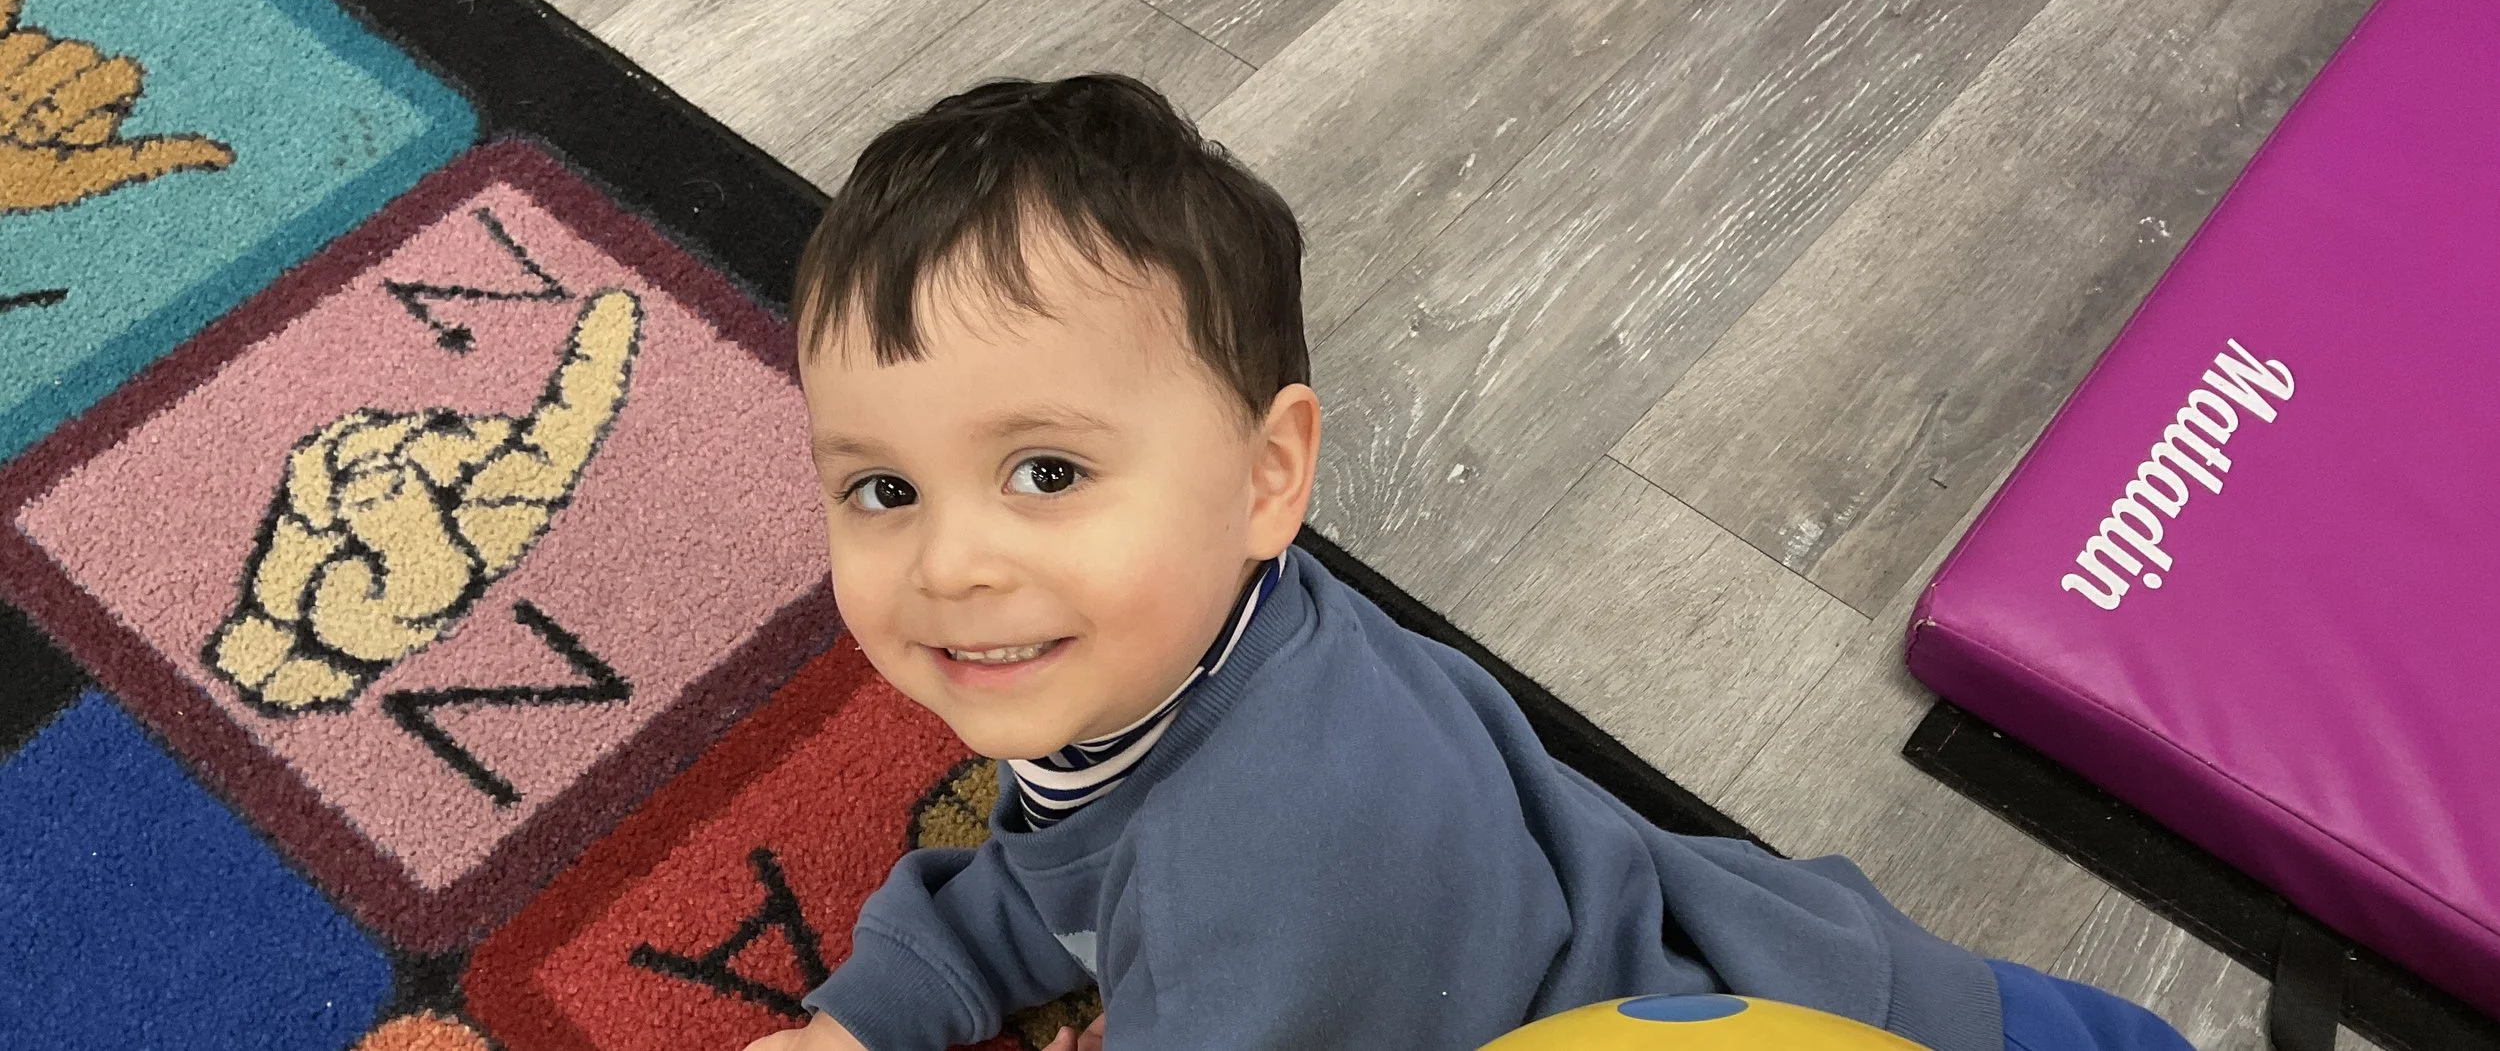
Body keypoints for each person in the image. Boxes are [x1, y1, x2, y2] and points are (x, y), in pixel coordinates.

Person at [743, 74, 2194, 1051]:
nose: (952, 561)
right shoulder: (1188, 647)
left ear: (1267, 478)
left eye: (1048, 473)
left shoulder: (1266, 856)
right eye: (882, 489)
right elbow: (1056, 870)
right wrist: (876, 1009)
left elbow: (1161, 904)